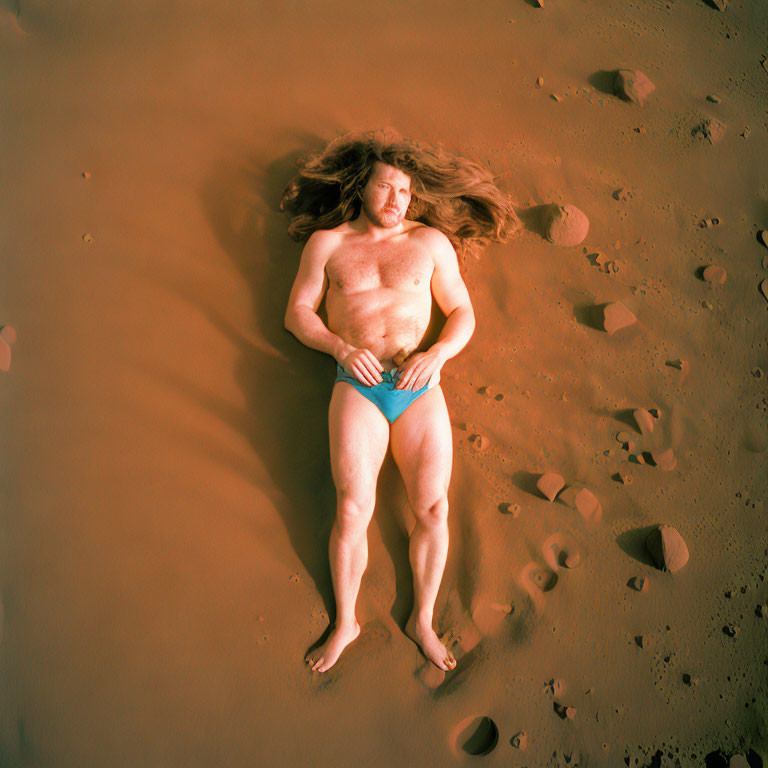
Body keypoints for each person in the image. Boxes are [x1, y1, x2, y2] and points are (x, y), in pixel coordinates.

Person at [282, 130, 517, 673]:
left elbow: (463, 312)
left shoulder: (430, 243)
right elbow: (297, 313)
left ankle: (423, 621)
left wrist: (437, 355)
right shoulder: (329, 244)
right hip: (356, 386)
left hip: (419, 385)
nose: (396, 201)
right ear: (362, 188)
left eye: (405, 193)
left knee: (434, 508)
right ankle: (346, 623)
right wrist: (340, 346)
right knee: (351, 508)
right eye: (386, 188)